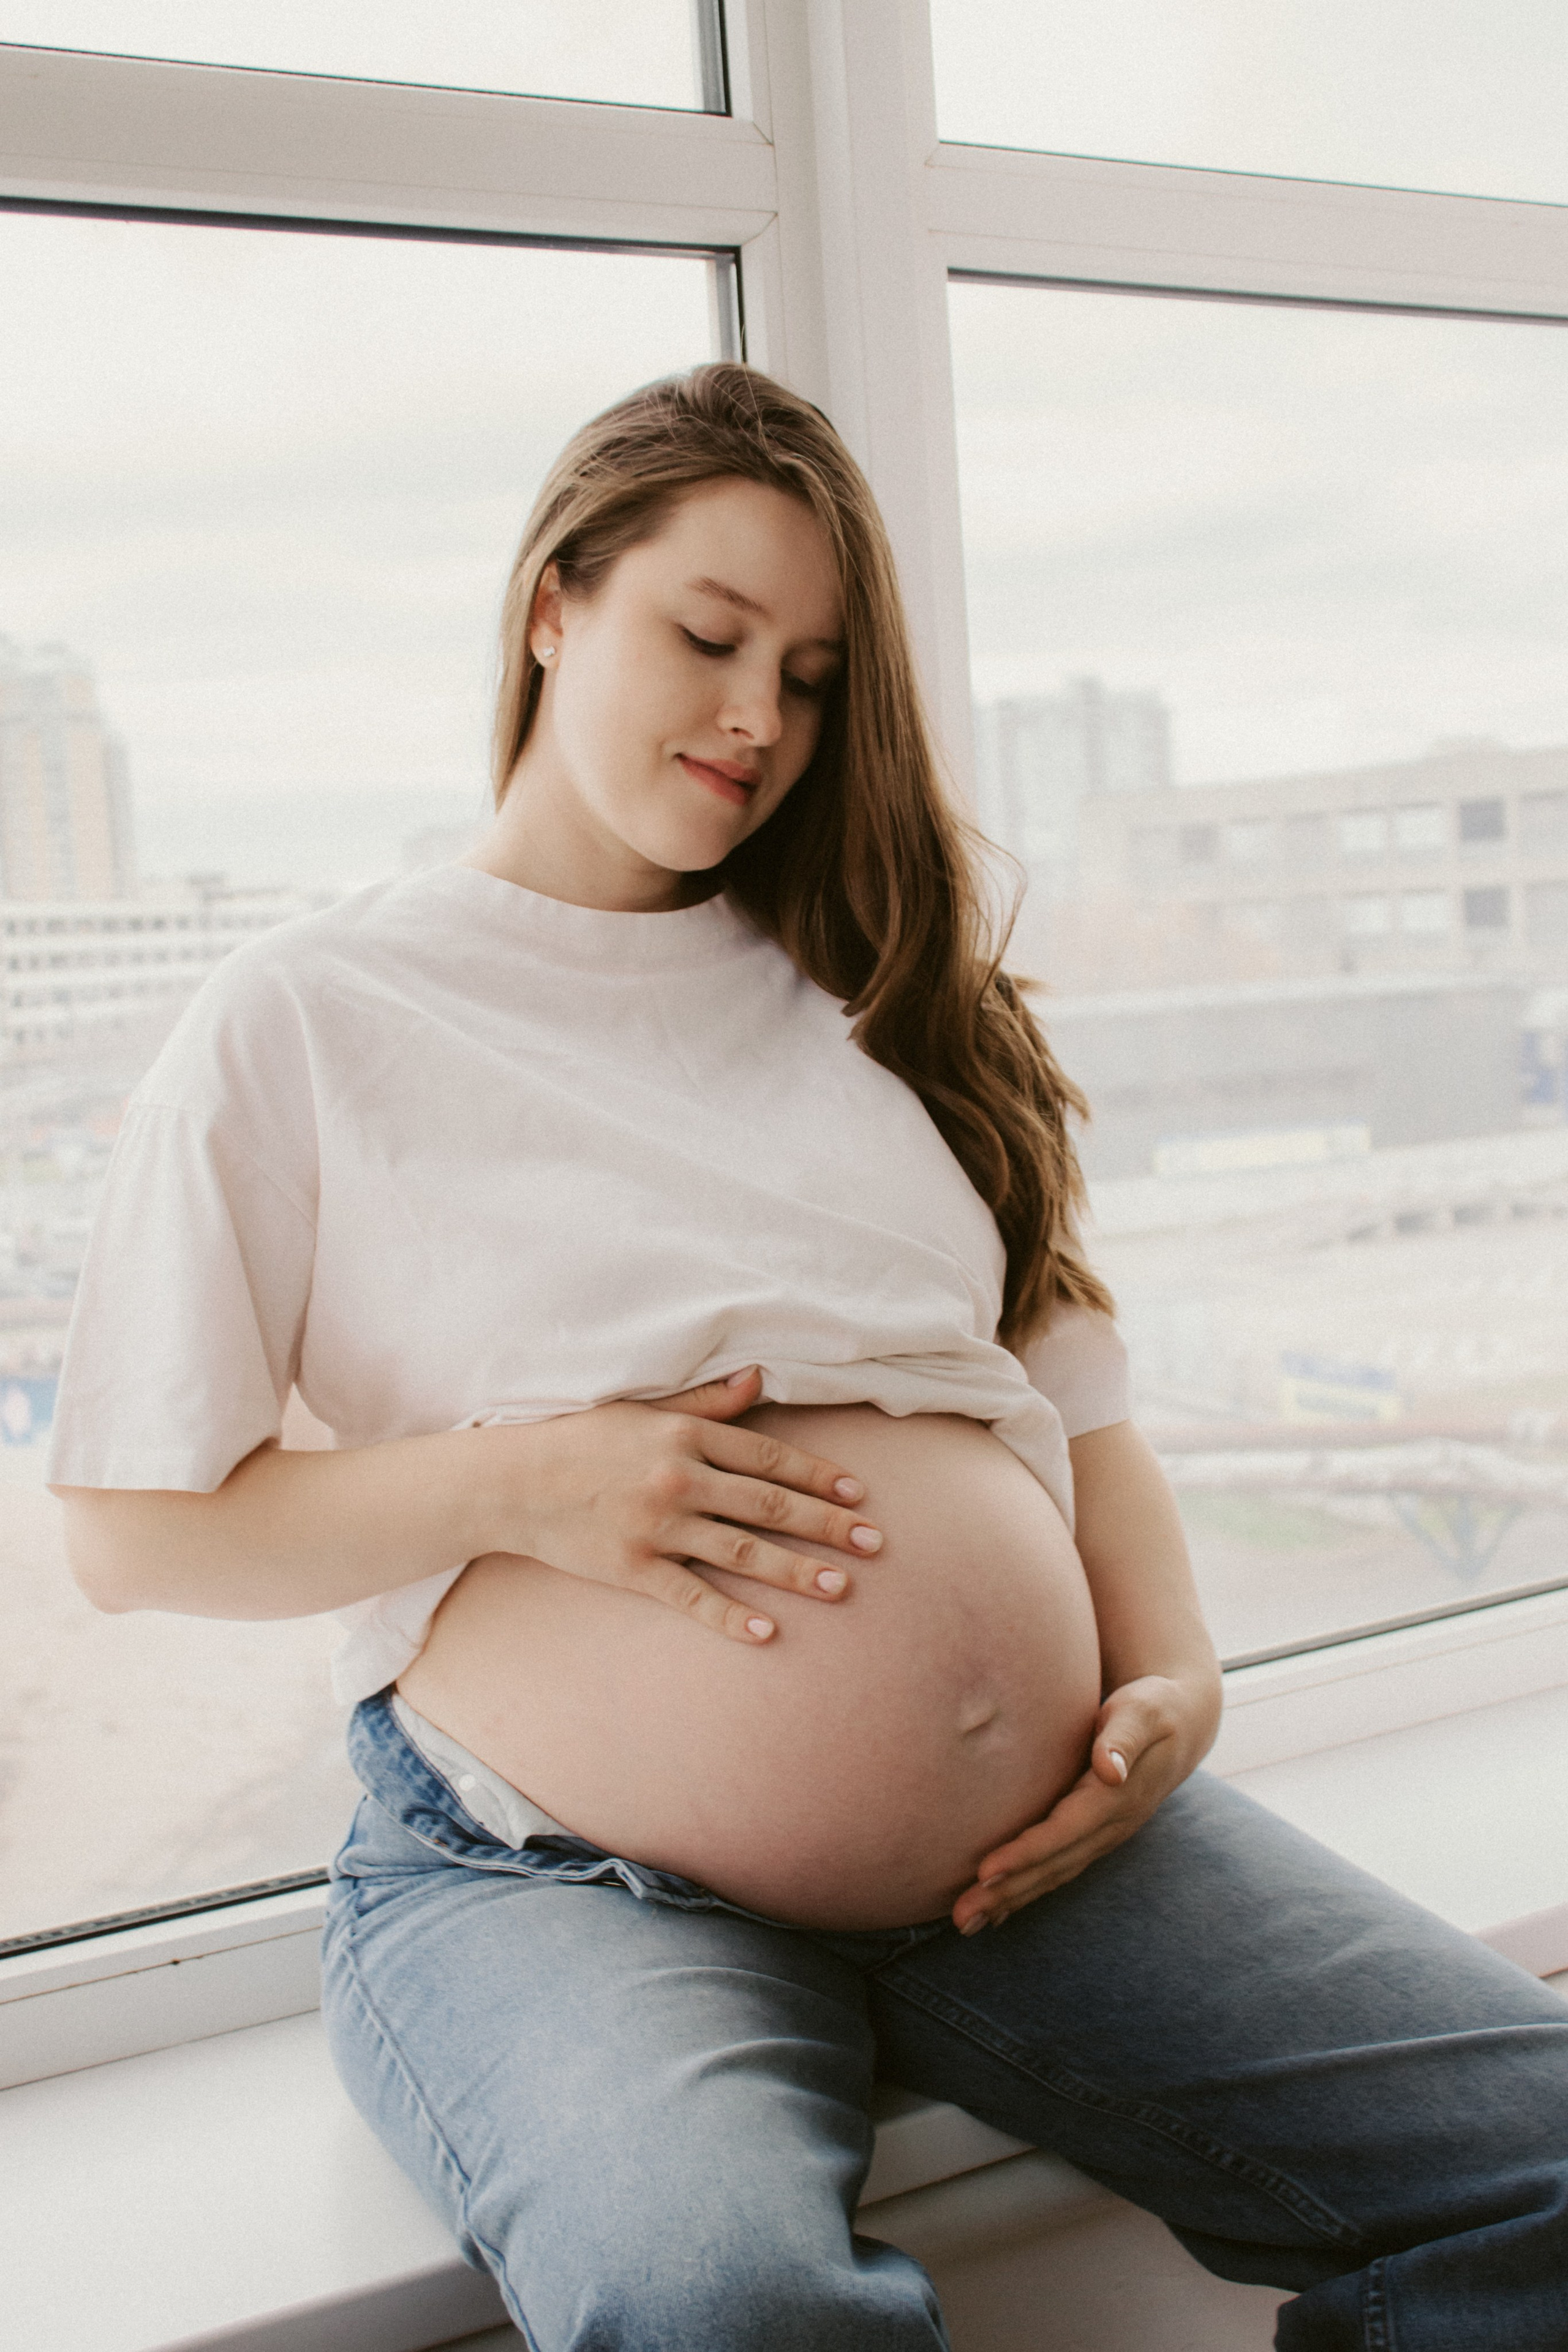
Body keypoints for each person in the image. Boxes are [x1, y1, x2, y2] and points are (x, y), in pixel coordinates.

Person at [51, 364, 1568, 2349]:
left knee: (1541, 2166)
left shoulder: (877, 982)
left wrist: (1174, 1678)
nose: (760, 717)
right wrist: (548, 1481)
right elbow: (133, 1530)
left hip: (1028, 1861)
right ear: (551, 606)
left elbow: (1079, 1410)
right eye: (706, 635)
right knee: (732, 2304)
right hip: (558, 1879)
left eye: (817, 674)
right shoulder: (311, 1018)